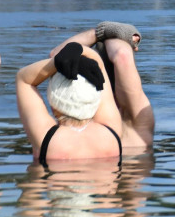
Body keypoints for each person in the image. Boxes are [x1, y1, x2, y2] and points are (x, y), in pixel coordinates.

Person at [48, 22, 155, 150]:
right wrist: (116, 33)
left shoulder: (64, 127)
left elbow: (57, 56)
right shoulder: (137, 126)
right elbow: (122, 55)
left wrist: (100, 33)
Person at [16, 40, 124, 166]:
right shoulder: (111, 130)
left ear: (53, 102)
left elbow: (23, 79)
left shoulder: (47, 138)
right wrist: (78, 49)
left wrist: (55, 63)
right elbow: (98, 65)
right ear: (94, 98)